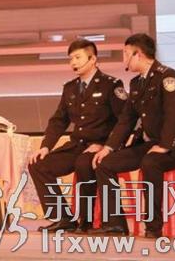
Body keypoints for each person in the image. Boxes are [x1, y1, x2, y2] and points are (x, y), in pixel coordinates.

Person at [91, 33, 175, 238]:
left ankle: (153, 227)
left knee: (150, 162)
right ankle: (116, 225)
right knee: (105, 163)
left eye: (125, 53)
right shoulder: (136, 83)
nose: (124, 59)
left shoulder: (167, 76)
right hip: (150, 145)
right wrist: (108, 148)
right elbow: (126, 120)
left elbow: (174, 113)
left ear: (137, 54)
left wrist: (165, 145)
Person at [28, 39, 127, 233]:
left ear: (93, 59)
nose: (73, 62)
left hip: (100, 146)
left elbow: (124, 120)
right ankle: (63, 218)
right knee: (38, 164)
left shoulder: (111, 84)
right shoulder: (70, 88)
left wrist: (106, 145)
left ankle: (86, 220)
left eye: (78, 57)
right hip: (77, 146)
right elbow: (59, 121)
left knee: (84, 162)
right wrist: (45, 146)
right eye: (70, 58)